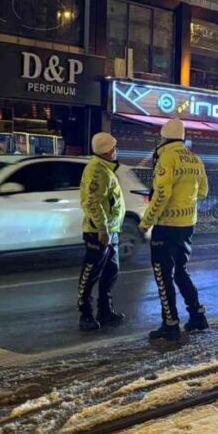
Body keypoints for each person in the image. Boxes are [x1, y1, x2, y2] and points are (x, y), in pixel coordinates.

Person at [142, 118, 209, 341]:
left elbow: (161, 195)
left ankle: (170, 325)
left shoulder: (166, 157)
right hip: (187, 225)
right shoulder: (195, 158)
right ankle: (197, 316)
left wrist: (146, 223)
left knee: (163, 276)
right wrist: (186, 200)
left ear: (164, 137)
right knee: (181, 271)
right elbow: (203, 192)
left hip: (166, 226)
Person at [77, 132, 127, 332]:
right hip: (99, 232)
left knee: (110, 272)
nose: (116, 150)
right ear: (107, 151)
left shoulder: (105, 168)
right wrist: (102, 229)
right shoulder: (97, 171)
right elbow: (93, 203)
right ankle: (86, 314)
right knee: (91, 274)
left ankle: (105, 311)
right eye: (114, 147)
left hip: (111, 230)